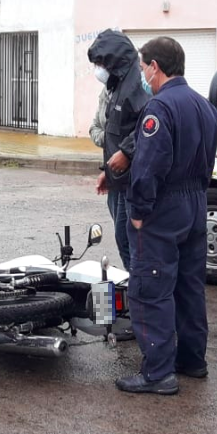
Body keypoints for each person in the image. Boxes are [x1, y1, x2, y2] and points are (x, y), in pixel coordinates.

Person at [117, 37, 217, 395]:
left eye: (144, 67)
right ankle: (193, 360)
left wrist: (140, 211)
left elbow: (148, 168)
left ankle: (158, 372)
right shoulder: (204, 106)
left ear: (155, 67)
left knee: (151, 288)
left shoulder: (159, 109)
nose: (143, 73)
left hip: (164, 207)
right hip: (195, 203)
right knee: (190, 285)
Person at [88, 30, 149, 271]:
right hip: (118, 179)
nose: (98, 69)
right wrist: (108, 170)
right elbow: (111, 130)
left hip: (132, 181)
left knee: (128, 240)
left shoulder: (138, 87)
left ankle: (141, 296)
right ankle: (138, 292)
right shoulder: (116, 86)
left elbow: (149, 128)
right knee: (123, 238)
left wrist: (126, 153)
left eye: (101, 63)